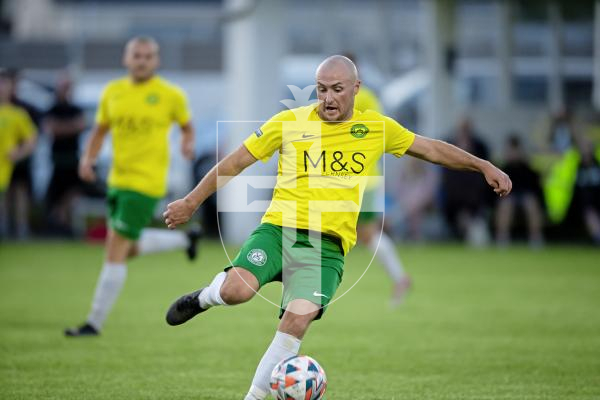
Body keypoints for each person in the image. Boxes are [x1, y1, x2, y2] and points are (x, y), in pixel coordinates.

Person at [163, 55, 512, 400]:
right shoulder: (288, 123)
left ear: (356, 89)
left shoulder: (376, 128)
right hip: (279, 230)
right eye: (321, 90)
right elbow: (235, 161)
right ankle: (207, 297)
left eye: (337, 89)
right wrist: (191, 202)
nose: (328, 98)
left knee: (296, 323)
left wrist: (483, 166)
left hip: (327, 248)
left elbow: (432, 150)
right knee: (235, 292)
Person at [64, 36, 201, 337]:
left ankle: (93, 323)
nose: (142, 61)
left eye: (148, 56)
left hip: (145, 184)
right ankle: (184, 241)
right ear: (127, 59)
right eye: (136, 55)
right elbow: (100, 130)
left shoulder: (170, 95)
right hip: (117, 181)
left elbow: (187, 126)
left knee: (114, 249)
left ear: (157, 61)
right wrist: (87, 159)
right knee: (126, 248)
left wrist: (188, 143)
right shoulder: (113, 92)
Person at [342, 53, 411, 306]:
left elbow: (376, 133)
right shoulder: (341, 98)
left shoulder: (365, 98)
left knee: (366, 235)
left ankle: (400, 278)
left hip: (363, 180)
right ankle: (400, 277)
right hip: (348, 179)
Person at [44, 75, 88, 235]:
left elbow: (80, 126)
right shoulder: (52, 108)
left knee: (74, 190)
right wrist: (71, 127)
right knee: (56, 193)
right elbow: (51, 129)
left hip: (72, 157)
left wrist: (62, 128)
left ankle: (66, 223)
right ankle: (57, 222)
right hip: (57, 160)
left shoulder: (75, 108)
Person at [441, 116, 492, 245]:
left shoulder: (480, 146)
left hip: (475, 197)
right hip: (454, 199)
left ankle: (473, 229)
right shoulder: (449, 145)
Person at [4, 68, 41, 239]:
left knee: (19, 193)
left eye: (5, 83)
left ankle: (19, 229)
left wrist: (17, 154)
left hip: (10, 166)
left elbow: (32, 139)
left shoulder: (19, 113)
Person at [494, 135, 544, 248]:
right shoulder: (502, 169)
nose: (513, 153)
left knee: (530, 202)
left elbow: (536, 190)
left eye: (515, 150)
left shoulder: (529, 169)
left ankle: (535, 238)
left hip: (525, 197)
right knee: (506, 203)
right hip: (508, 198)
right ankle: (502, 238)